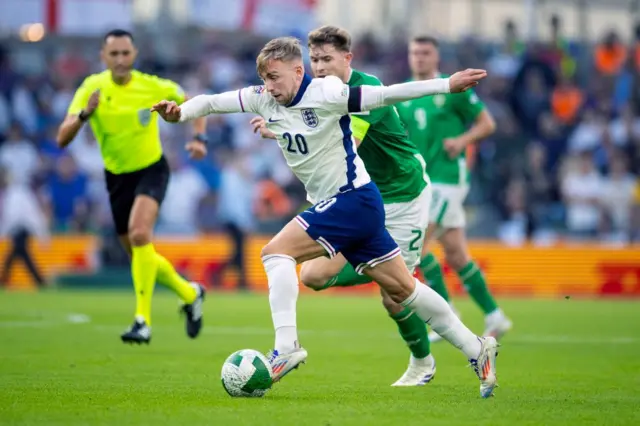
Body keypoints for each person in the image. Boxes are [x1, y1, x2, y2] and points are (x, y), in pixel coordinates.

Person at [152, 36, 500, 398]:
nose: (270, 87)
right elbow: (212, 102)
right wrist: (181, 113)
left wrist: (446, 84)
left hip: (352, 200)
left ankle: (286, 348)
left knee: (275, 252)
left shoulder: (328, 92)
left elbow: (386, 95)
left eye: (275, 77)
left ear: (298, 71)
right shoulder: (262, 97)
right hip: (357, 205)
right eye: (265, 78)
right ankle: (478, 349)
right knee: (403, 289)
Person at [250, 26, 434, 387]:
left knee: (394, 298)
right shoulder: (318, 94)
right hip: (362, 202)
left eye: (327, 59)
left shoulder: (362, 91)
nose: (319, 67)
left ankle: (423, 362)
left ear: (347, 59)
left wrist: (281, 130)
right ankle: (388, 264)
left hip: (403, 195)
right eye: (314, 59)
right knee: (313, 276)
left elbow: (343, 134)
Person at [56, 29, 207, 344]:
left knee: (140, 235)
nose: (121, 60)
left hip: (152, 170)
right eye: (114, 54)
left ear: (134, 55)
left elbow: (195, 101)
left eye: (126, 53)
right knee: (140, 252)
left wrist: (198, 137)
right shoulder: (91, 88)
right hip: (116, 178)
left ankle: (142, 321)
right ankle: (189, 292)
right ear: (103, 57)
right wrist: (85, 115)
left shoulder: (152, 86)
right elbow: (62, 138)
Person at [396, 35, 512, 342]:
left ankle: (446, 313)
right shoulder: (405, 93)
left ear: (436, 57)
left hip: (448, 178)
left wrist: (461, 142)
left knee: (416, 247)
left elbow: (487, 124)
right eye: (414, 52)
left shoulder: (452, 88)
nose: (419, 57)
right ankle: (495, 315)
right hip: (424, 180)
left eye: (425, 52)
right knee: (457, 255)